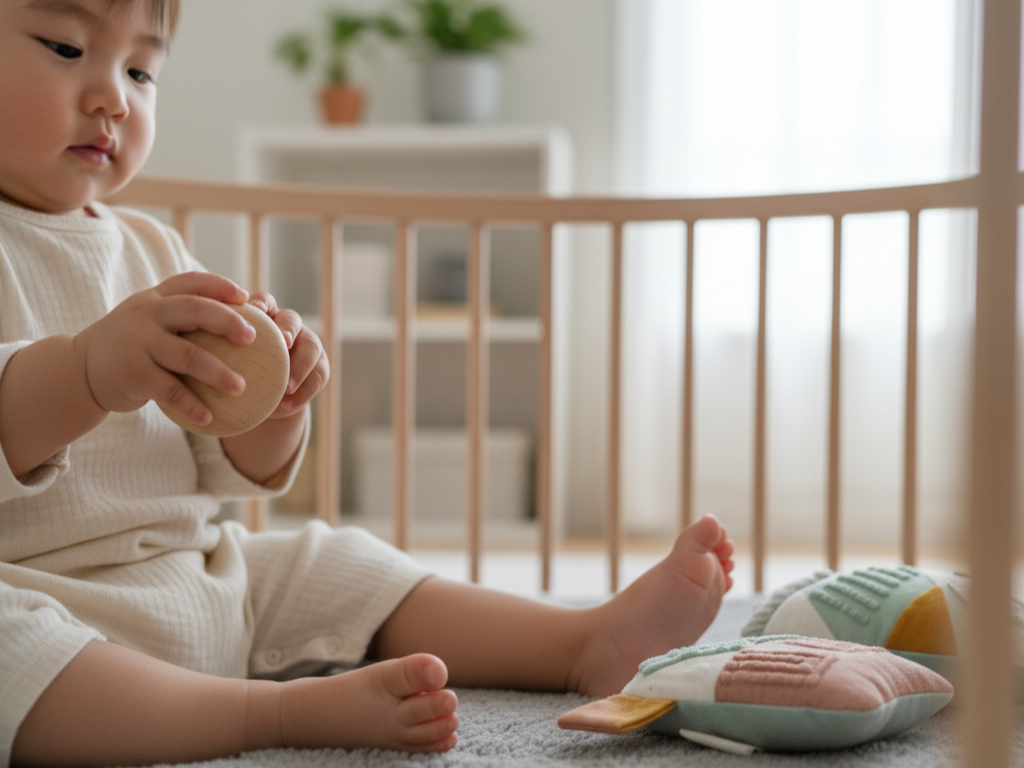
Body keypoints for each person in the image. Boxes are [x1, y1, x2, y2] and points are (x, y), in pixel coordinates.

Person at [0, 1, 736, 765]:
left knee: (328, 560)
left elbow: (223, 463)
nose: (114, 96)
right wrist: (87, 370)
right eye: (65, 47)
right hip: (49, 611)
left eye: (141, 70)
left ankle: (582, 640)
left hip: (198, 586)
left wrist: (273, 409)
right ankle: (274, 715)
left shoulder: (153, 247)